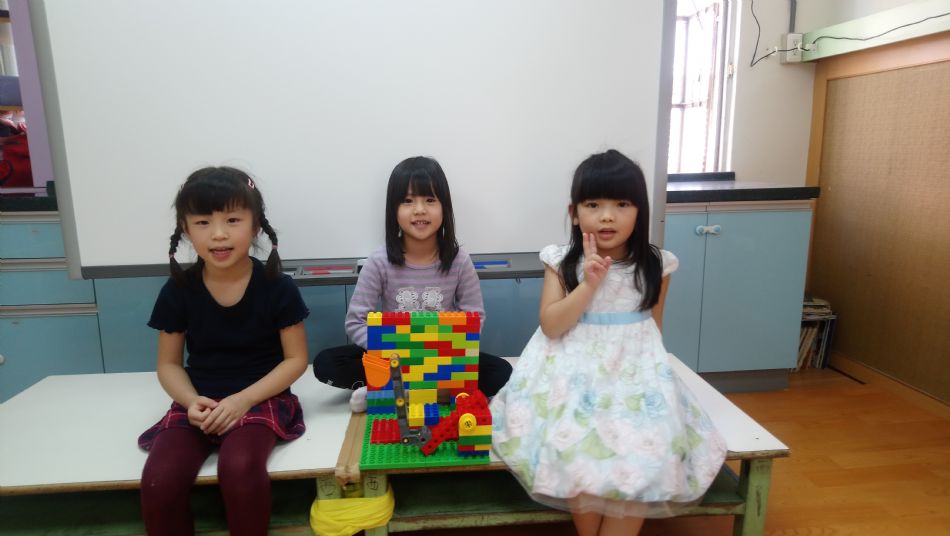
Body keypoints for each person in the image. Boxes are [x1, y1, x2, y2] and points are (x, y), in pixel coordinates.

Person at [490, 150, 726, 536]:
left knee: (649, 447)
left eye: (622, 204)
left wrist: (655, 386)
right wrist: (589, 283)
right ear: (574, 213)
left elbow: (654, 330)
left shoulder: (656, 265)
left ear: (639, 212)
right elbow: (552, 325)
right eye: (593, 204)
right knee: (575, 445)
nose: (607, 216)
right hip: (569, 370)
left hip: (633, 371)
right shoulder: (561, 261)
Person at [138, 167, 310, 536]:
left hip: (260, 399)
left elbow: (296, 359)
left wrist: (242, 400)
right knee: (159, 480)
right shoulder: (178, 290)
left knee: (239, 468)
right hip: (199, 402)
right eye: (203, 222)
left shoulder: (277, 287)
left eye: (232, 220)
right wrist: (190, 402)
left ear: (255, 226)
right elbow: (168, 365)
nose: (218, 233)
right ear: (185, 229)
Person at [313, 156, 512, 409]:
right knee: (326, 363)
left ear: (444, 207)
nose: (419, 210)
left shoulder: (459, 260)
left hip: (441, 357)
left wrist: (443, 350)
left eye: (430, 200)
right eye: (408, 201)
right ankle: (411, 388)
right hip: (392, 356)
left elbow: (475, 317)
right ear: (393, 210)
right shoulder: (379, 261)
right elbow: (355, 321)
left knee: (502, 372)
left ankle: (389, 390)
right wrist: (392, 349)